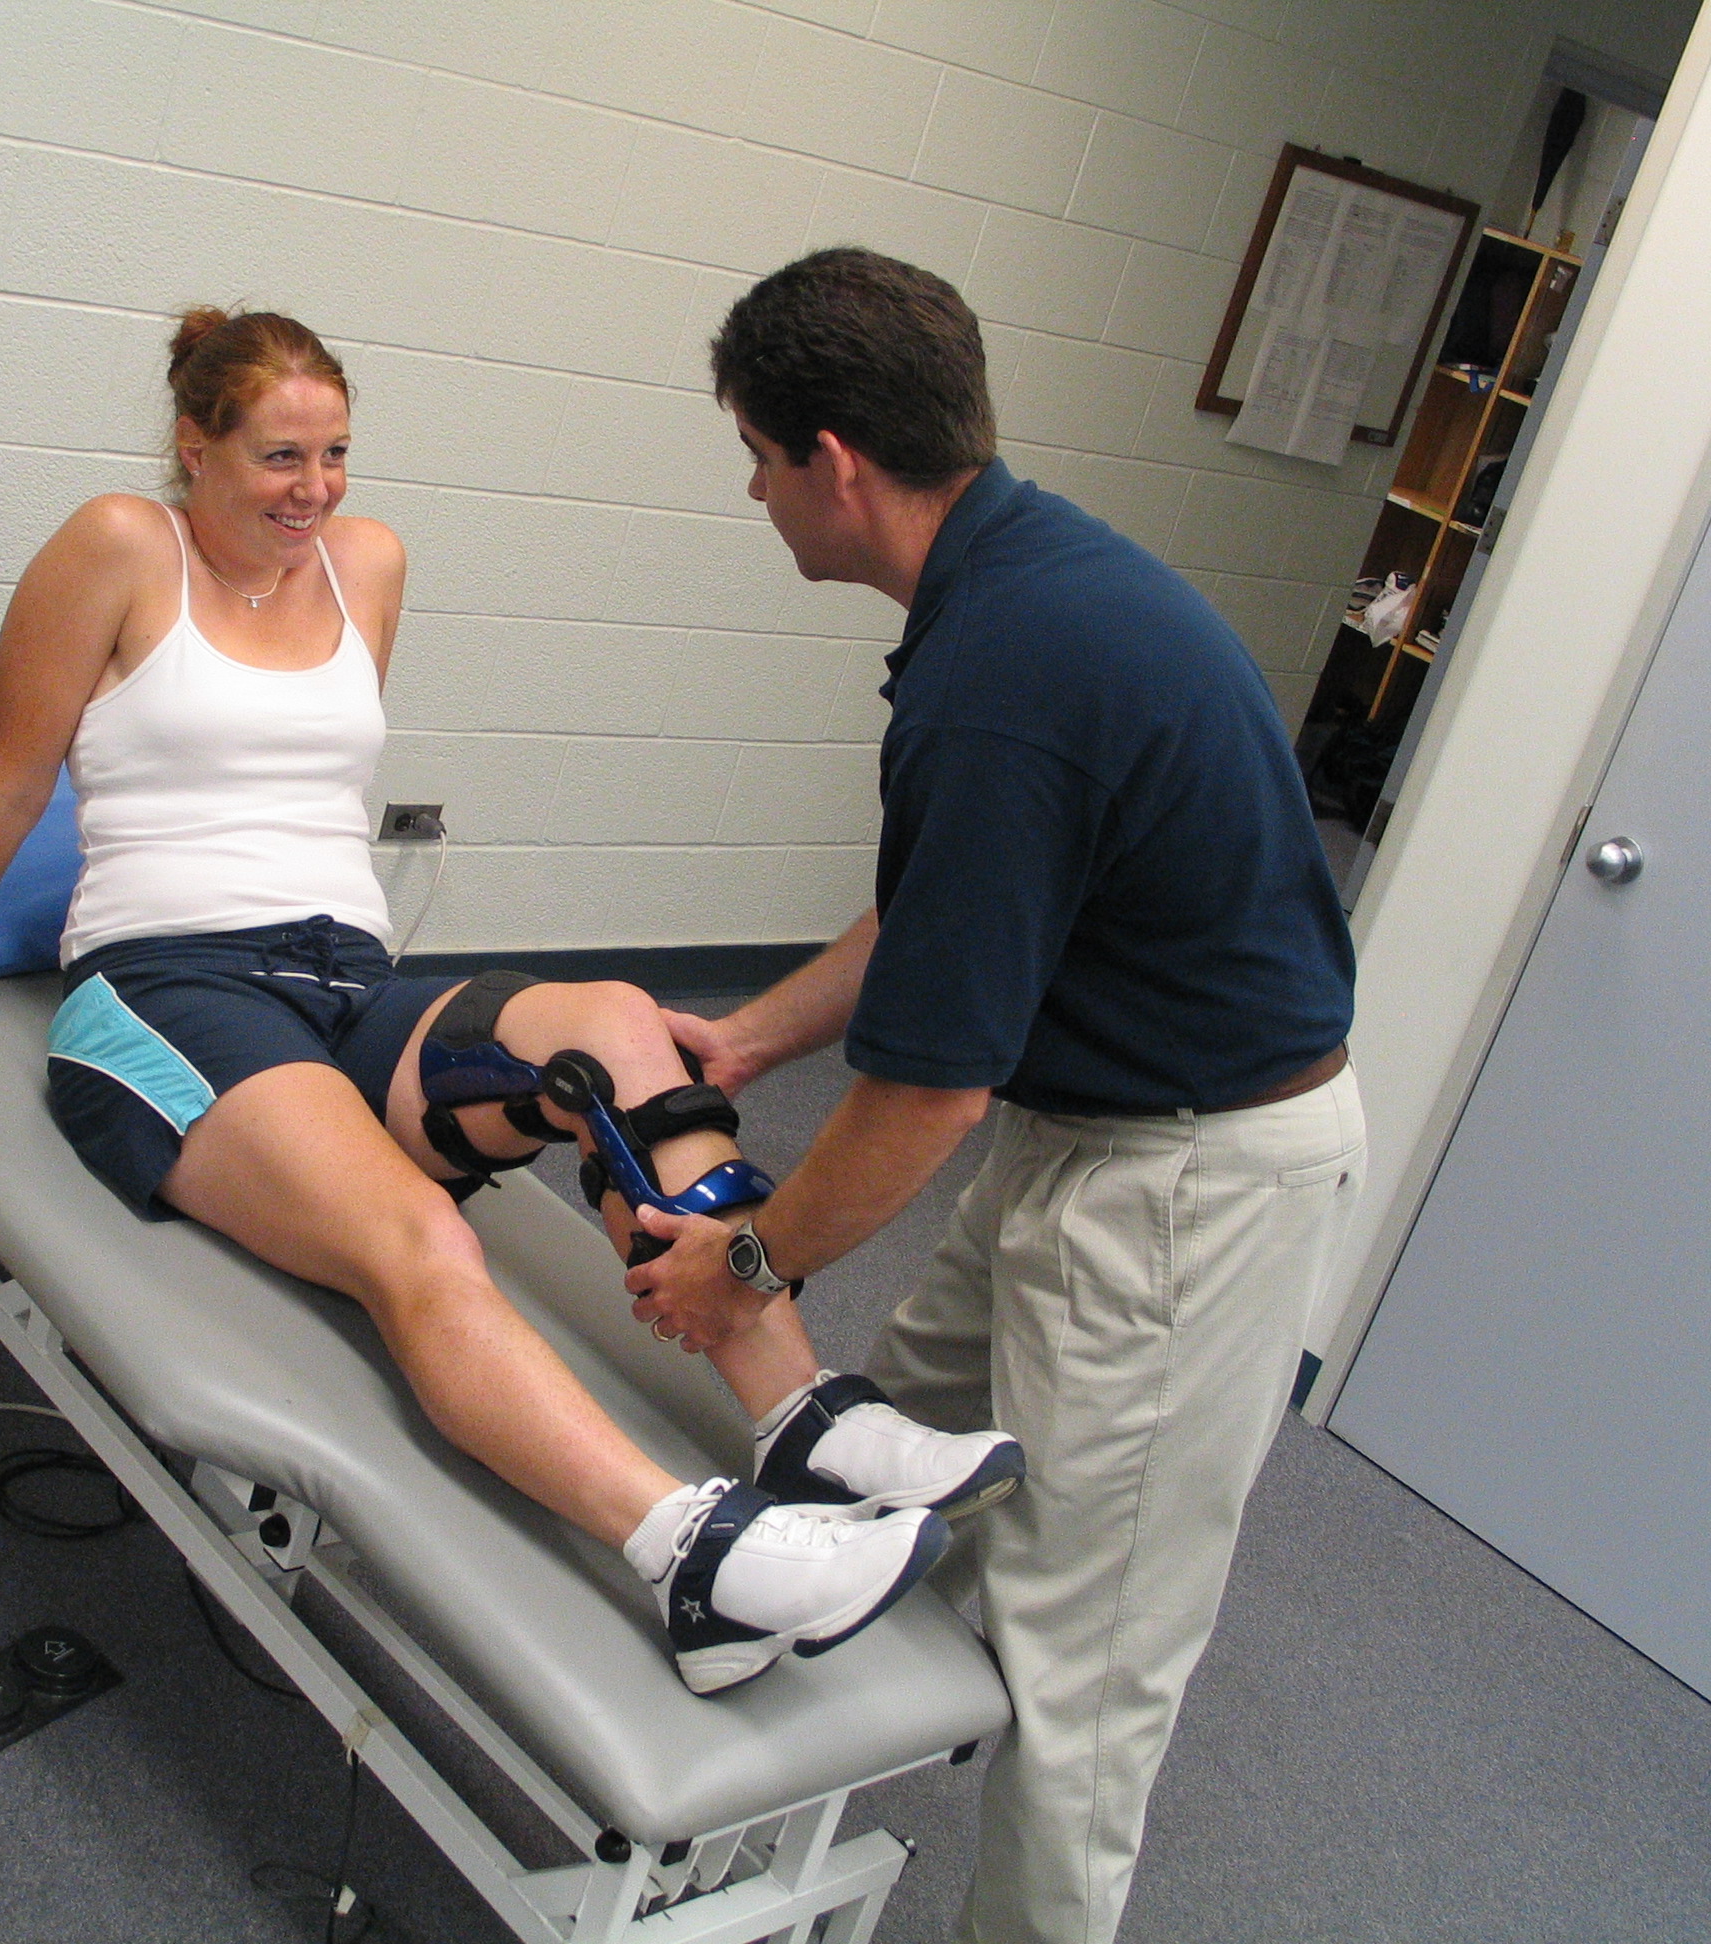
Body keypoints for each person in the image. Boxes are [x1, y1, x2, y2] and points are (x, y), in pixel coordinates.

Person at [0, 304, 1023, 1695]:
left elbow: (316, 786)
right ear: (192, 448)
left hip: (345, 979)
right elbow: (15, 779)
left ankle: (800, 1412)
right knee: (420, 1241)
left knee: (615, 1025)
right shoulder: (120, 549)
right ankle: (694, 1561)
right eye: (276, 458)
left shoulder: (366, 562)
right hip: (165, 990)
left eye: (336, 454)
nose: (314, 490)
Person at [624, 249, 1364, 1937]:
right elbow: (947, 911)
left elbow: (925, 1099)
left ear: (834, 462)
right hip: (1089, 1126)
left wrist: (747, 1262)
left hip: (1188, 1191)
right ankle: (767, 1814)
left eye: (752, 453)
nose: (750, 490)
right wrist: (747, 1047)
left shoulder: (1005, 673)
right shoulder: (1020, 586)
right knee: (857, 1455)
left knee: (1083, 1675)